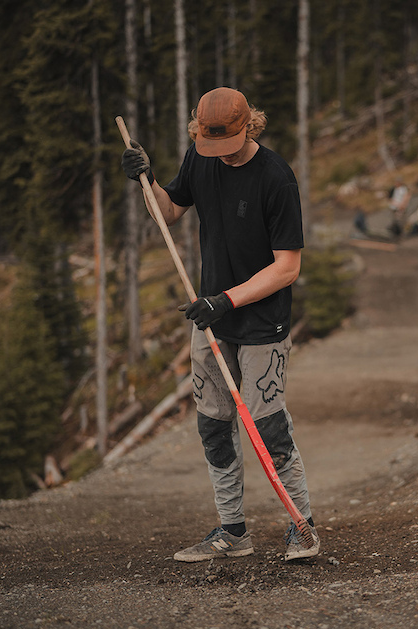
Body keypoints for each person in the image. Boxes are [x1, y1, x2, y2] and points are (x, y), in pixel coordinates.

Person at [121, 87, 319, 562]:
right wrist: (147, 184)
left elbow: (287, 267)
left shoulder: (276, 178)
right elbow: (169, 212)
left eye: (228, 145)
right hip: (211, 319)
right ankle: (233, 532)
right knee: (213, 425)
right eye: (211, 146)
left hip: (259, 322)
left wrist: (226, 300)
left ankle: (303, 526)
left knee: (268, 425)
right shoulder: (200, 159)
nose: (221, 156)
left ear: (249, 126)